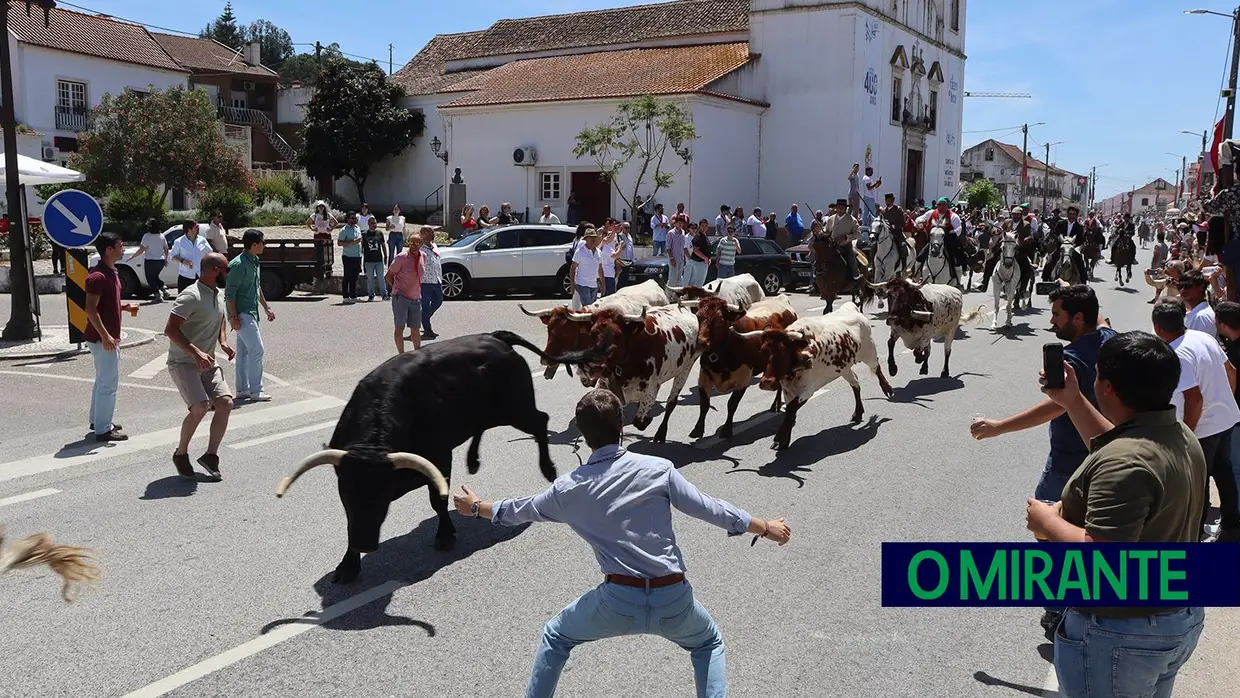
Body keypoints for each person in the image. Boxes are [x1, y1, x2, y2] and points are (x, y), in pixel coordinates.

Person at [451, 388, 791, 698]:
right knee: (707, 644)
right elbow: (711, 508)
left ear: (583, 437)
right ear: (623, 426)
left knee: (557, 637)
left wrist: (477, 508)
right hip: (674, 599)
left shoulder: (567, 490)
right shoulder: (658, 469)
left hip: (616, 602)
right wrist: (765, 527)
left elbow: (520, 510)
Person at [1030, 331, 1206, 698]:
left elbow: (1105, 556)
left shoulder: (1125, 462)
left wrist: (1048, 523)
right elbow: (1123, 447)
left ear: (1107, 388)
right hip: (1173, 616)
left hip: (1119, 633)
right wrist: (1073, 400)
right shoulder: (1176, 434)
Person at [971, 285, 1116, 636]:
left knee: (1046, 530)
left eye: (1056, 315)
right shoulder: (1111, 341)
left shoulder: (1073, 359)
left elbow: (1058, 405)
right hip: (1106, 455)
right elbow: (1104, 320)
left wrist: (999, 427)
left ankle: (1058, 610)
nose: (1051, 321)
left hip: (1068, 464)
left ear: (1078, 318)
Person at [1152, 298, 1240, 543]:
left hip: (1202, 430)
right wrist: (1223, 402)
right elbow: (1231, 370)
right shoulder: (1204, 338)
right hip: (1226, 419)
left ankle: (1194, 535)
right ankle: (1232, 527)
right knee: (1224, 474)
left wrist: (1187, 435)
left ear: (1157, 328)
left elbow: (1194, 399)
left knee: (1196, 484)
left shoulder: (1176, 354)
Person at [164, 253, 234, 481]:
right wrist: (195, 351)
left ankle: (211, 456)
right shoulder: (190, 296)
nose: (227, 275)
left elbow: (220, 316)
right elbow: (171, 330)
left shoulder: (218, 294)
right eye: (226, 270)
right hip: (183, 362)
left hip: (208, 361)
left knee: (225, 403)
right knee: (200, 407)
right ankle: (181, 453)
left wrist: (222, 341)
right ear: (214, 270)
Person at [85, 232, 139, 442]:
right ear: (109, 249)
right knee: (108, 383)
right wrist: (106, 336)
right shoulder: (98, 276)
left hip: (105, 337)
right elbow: (90, 309)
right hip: (102, 339)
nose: (123, 249)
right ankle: (103, 429)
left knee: (102, 381)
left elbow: (106, 303)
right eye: (120, 245)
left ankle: (97, 420)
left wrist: (124, 306)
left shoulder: (111, 273)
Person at [225, 229, 276, 403]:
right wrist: (234, 317)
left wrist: (266, 307)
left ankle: (242, 390)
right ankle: (256, 390)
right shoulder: (238, 264)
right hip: (242, 314)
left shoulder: (254, 261)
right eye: (263, 242)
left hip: (251, 312)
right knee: (257, 350)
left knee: (244, 352)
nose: (264, 245)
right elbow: (230, 293)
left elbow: (256, 286)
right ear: (254, 245)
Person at [384, 233, 425, 353]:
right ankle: (400, 355)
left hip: (416, 297)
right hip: (401, 297)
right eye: (411, 242)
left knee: (415, 328)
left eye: (417, 242)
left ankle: (417, 353)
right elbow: (389, 276)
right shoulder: (401, 257)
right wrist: (397, 289)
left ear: (421, 244)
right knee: (399, 327)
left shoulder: (423, 256)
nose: (414, 245)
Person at [914, 197, 965, 285]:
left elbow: (959, 228)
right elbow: (918, 219)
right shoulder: (931, 213)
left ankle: (957, 281)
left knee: (956, 260)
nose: (941, 207)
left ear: (947, 206)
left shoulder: (953, 216)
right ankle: (916, 277)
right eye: (939, 205)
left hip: (948, 240)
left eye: (944, 205)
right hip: (933, 240)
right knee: (919, 258)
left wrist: (951, 232)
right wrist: (920, 223)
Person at [126, 218, 171, 302]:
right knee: (155, 277)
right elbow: (166, 248)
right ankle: (164, 289)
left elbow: (141, 250)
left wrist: (132, 257)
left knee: (150, 279)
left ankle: (158, 295)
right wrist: (166, 258)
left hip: (150, 261)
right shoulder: (161, 236)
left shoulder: (147, 236)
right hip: (160, 261)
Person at [170, 220, 212, 292]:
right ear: (189, 229)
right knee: (184, 301)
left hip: (200, 276)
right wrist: (183, 261)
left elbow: (210, 254)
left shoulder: (202, 240)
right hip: (185, 277)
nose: (198, 228)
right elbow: (173, 257)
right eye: (196, 227)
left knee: (200, 301)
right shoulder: (179, 242)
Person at [825, 199, 862, 281]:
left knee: (851, 260)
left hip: (846, 246)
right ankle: (816, 279)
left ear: (845, 209)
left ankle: (856, 280)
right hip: (832, 246)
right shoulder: (830, 219)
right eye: (838, 207)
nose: (840, 209)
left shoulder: (852, 220)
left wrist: (846, 237)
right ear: (836, 208)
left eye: (842, 208)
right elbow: (826, 231)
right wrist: (824, 234)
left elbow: (858, 234)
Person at [419, 227, 444, 339]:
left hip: (437, 279)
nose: (433, 233)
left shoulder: (434, 246)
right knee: (425, 305)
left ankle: (423, 318)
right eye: (430, 232)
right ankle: (427, 328)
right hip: (425, 282)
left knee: (438, 301)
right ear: (423, 234)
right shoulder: (420, 249)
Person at [571, 228, 605, 306]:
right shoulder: (580, 251)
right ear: (586, 239)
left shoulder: (598, 252)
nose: (594, 239)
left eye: (594, 237)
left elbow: (600, 269)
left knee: (592, 307)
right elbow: (573, 268)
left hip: (594, 284)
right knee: (588, 307)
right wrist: (572, 284)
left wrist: (603, 285)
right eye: (591, 237)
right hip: (582, 284)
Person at [1178, 270, 1216, 337]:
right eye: (1180, 286)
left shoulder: (1201, 317)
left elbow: (1198, 345)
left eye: (1188, 286)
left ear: (1201, 287)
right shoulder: (1196, 313)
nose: (1183, 290)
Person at [360, 218, 389, 302]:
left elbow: (383, 245)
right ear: (368, 224)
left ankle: (384, 294)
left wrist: (385, 256)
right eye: (372, 223)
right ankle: (371, 295)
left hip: (378, 259)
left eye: (375, 223)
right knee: (370, 279)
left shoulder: (379, 233)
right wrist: (362, 260)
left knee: (381, 278)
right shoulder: (365, 234)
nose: (374, 225)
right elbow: (362, 248)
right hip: (368, 260)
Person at [337, 213, 363, 305]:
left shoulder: (357, 228)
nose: (354, 220)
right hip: (348, 256)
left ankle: (353, 295)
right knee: (347, 276)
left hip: (357, 256)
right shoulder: (344, 230)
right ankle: (345, 296)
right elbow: (339, 243)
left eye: (355, 218)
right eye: (352, 218)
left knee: (355, 277)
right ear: (348, 219)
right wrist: (352, 242)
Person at [881, 193, 909, 271]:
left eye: (888, 200)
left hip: (897, 232)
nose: (887, 201)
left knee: (903, 245)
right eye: (886, 200)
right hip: (885, 233)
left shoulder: (898, 209)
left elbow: (903, 223)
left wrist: (893, 226)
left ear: (892, 200)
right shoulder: (883, 210)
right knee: (874, 245)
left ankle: (904, 266)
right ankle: (873, 264)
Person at [686, 220, 712, 286]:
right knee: (698, 283)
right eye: (702, 226)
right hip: (699, 263)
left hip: (701, 262)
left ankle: (692, 295)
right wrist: (705, 258)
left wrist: (709, 258)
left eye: (706, 226)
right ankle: (695, 296)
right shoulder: (698, 236)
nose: (704, 228)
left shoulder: (704, 236)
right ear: (699, 226)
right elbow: (695, 250)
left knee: (695, 282)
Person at [667, 216, 688, 286]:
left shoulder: (683, 232)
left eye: (682, 223)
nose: (680, 224)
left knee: (679, 278)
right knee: (672, 278)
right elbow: (668, 247)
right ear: (675, 223)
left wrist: (684, 258)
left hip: (681, 258)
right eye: (679, 223)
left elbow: (683, 246)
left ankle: (676, 294)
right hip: (674, 258)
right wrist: (671, 258)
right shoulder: (671, 233)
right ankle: (668, 294)